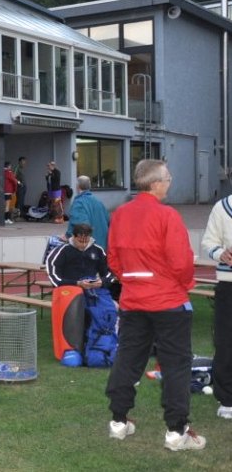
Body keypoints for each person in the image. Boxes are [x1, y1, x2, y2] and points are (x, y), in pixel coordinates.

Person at [105, 159, 205, 451]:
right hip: (168, 303)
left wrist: (135, 281)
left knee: (128, 359)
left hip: (134, 301)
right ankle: (177, 431)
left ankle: (119, 421)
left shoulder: (121, 214)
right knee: (175, 365)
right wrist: (182, 284)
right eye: (168, 178)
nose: (170, 183)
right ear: (156, 183)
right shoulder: (167, 216)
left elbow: (113, 259)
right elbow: (181, 261)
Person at [200, 191, 232, 420]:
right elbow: (208, 243)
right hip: (229, 284)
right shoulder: (222, 208)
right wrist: (222, 253)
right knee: (226, 341)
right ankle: (228, 399)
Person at [46, 223, 112, 289]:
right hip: (68, 289)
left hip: (93, 289)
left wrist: (102, 282)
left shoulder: (98, 250)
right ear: (73, 237)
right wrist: (77, 283)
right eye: (80, 241)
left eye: (86, 241)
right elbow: (54, 277)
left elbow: (108, 273)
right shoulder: (61, 251)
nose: (83, 245)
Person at [66, 176, 110, 249]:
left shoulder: (79, 203)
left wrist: (68, 236)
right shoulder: (98, 202)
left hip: (89, 248)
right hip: (103, 247)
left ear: (78, 186)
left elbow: (80, 227)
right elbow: (108, 221)